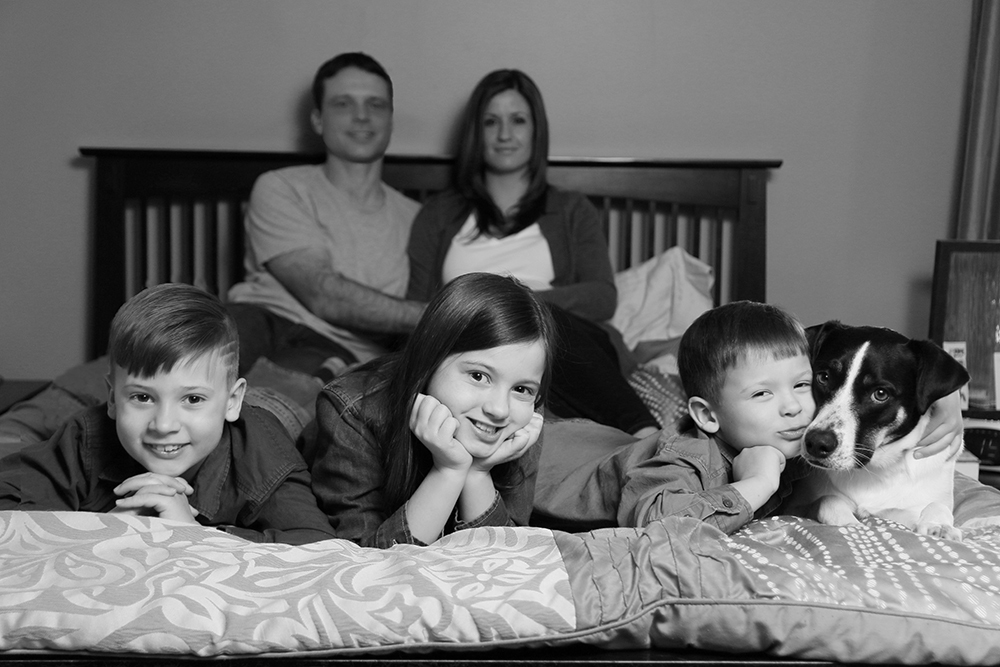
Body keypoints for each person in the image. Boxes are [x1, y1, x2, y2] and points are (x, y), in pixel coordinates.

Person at [533, 300, 970, 534]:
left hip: (589, 436)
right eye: (762, 392)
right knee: (555, 332)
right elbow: (657, 522)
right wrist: (755, 487)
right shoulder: (685, 461)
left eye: (802, 384)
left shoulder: (789, 446)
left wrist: (935, 395)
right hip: (541, 459)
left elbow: (865, 358)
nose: (796, 407)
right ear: (707, 415)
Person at [406, 69, 658, 437]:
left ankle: (644, 434)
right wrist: (484, 318)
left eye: (518, 121)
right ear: (476, 133)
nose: (505, 134)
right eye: (491, 122)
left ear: (536, 130)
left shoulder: (572, 209)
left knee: (542, 319)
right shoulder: (438, 215)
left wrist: (516, 306)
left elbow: (602, 297)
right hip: (475, 347)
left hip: (563, 349)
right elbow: (417, 309)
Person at [0, 284, 336, 545]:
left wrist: (196, 535)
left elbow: (318, 545)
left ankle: (326, 360)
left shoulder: (265, 455)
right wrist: (104, 526)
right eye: (143, 397)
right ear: (113, 399)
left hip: (274, 411)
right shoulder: (86, 436)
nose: (164, 425)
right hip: (207, 406)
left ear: (232, 401)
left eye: (191, 398)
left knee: (301, 379)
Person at [304, 273, 555, 548]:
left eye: (521, 389)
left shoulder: (522, 420)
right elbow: (367, 566)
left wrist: (477, 473)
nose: (499, 409)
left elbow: (507, 557)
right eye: (478, 376)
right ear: (430, 360)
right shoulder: (352, 412)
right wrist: (448, 471)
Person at [227, 52, 424, 379]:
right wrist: (437, 315)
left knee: (280, 396)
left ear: (391, 119)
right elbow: (321, 293)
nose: (361, 116)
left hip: (340, 353)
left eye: (375, 104)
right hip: (262, 319)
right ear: (317, 120)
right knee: (181, 359)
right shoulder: (281, 187)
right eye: (343, 104)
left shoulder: (420, 220)